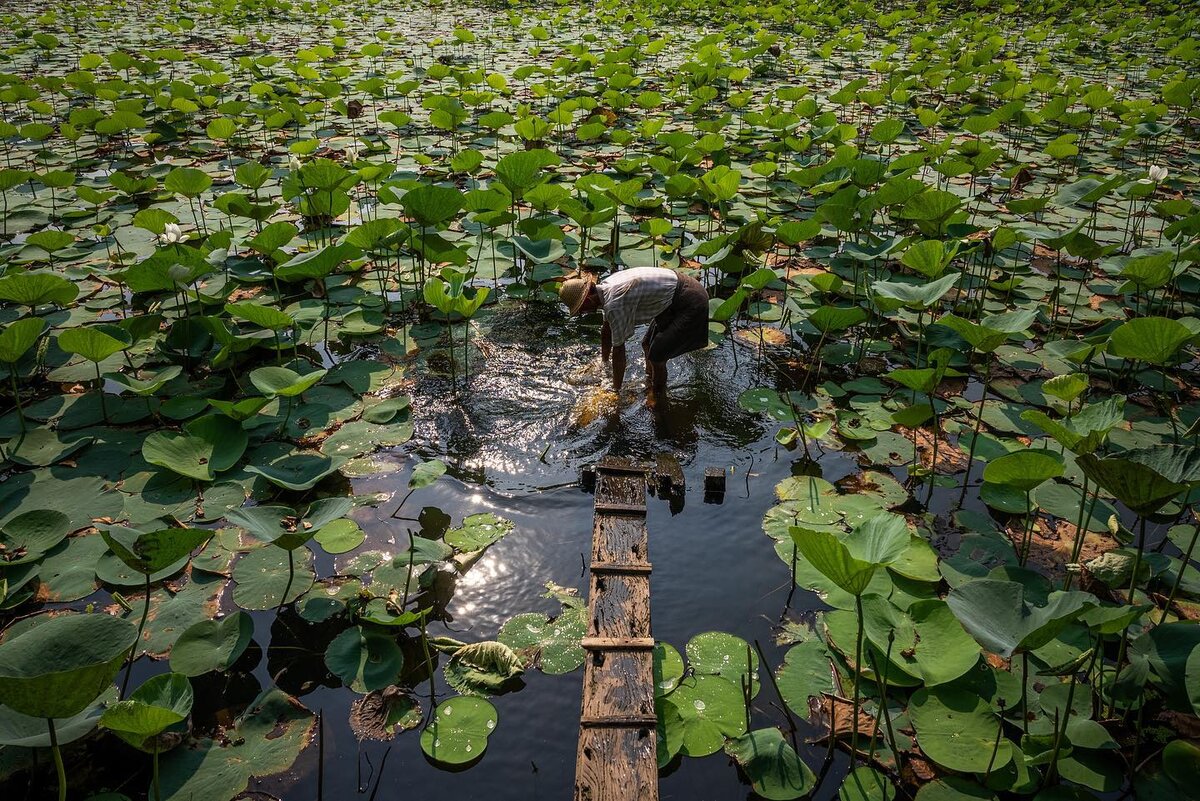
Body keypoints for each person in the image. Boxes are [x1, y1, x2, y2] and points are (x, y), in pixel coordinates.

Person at [559, 266, 709, 396]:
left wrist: (615, 391)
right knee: (646, 344)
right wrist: (603, 363)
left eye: (581, 309)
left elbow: (619, 352)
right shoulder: (606, 287)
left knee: (657, 355)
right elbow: (607, 331)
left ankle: (657, 394)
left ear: (587, 300)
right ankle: (650, 380)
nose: (582, 313)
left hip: (691, 299)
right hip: (675, 296)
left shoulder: (614, 304)